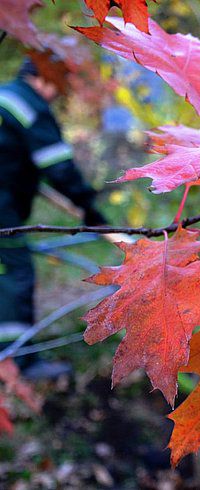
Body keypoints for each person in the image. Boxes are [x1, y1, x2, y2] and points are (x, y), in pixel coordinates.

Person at [0, 58, 105, 378]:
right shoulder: (29, 106)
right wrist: (89, 207)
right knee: (14, 272)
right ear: (44, 78)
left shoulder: (5, 98)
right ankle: (18, 361)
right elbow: (58, 165)